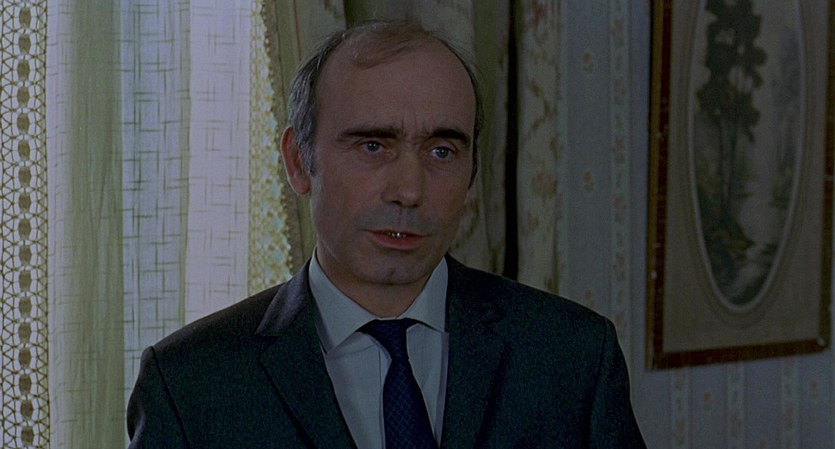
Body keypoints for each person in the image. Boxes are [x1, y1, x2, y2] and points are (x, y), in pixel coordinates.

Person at [126, 21, 647, 449]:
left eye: (441, 151)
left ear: (471, 170)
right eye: (373, 146)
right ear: (299, 162)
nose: (409, 190)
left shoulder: (573, 356)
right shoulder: (190, 384)